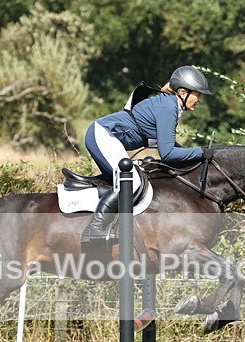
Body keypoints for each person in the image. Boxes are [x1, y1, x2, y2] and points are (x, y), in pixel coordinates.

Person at [81, 65, 213, 247]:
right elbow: (167, 153)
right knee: (132, 181)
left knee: (135, 178)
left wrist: (197, 155)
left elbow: (171, 145)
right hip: (102, 135)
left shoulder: (169, 104)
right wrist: (201, 152)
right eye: (197, 95)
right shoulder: (169, 107)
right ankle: (94, 229)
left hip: (106, 136)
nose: (199, 100)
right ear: (182, 92)